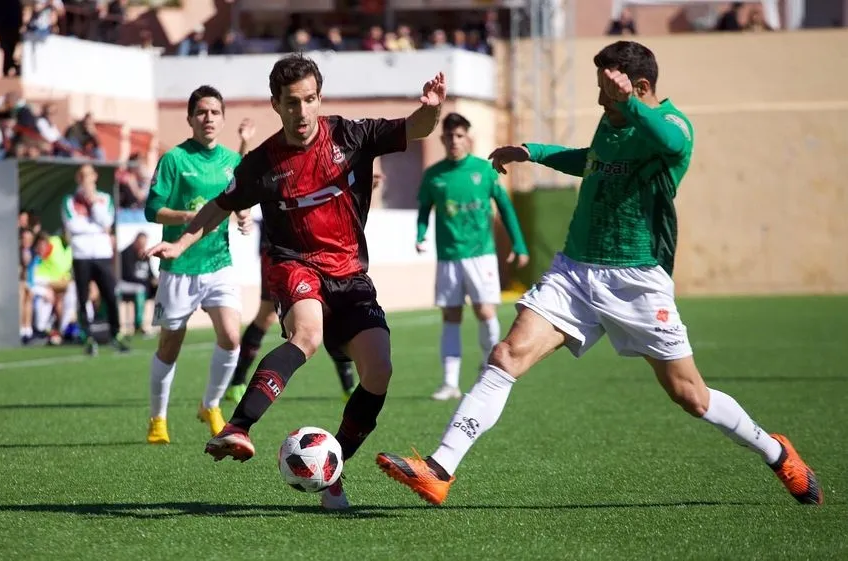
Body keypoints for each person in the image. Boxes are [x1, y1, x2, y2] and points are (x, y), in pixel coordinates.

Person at [375, 40, 822, 506]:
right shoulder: (613, 121)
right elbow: (592, 161)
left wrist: (626, 101)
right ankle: (440, 468)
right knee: (506, 356)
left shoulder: (670, 124)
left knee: (691, 396)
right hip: (574, 272)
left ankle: (777, 452)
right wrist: (535, 151)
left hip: (636, 283)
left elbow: (673, 142)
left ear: (640, 86)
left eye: (606, 91)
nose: (599, 100)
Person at [143, 53, 446, 510]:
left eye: (308, 101)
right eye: (290, 103)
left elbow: (417, 127)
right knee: (306, 335)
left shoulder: (351, 135)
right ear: (276, 104)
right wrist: (181, 245)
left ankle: (331, 471)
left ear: (319, 99)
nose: (300, 112)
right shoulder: (263, 162)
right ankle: (238, 426)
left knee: (379, 370)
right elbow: (218, 207)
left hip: (350, 273)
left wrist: (431, 108)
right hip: (295, 264)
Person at [143, 86, 255, 445]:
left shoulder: (230, 161)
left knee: (232, 336)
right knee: (169, 347)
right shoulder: (174, 160)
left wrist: (244, 216)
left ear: (222, 118)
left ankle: (210, 404)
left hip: (218, 263)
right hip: (180, 267)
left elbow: (241, 195)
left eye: (215, 112)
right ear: (190, 118)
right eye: (202, 112)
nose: (209, 118)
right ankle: (158, 419)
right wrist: (187, 216)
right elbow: (151, 208)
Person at [224, 158, 385, 404]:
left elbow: (333, 202)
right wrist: (242, 211)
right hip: (280, 254)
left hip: (314, 254)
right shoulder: (276, 163)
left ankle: (348, 385)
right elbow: (243, 188)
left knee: (326, 312)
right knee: (269, 316)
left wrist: (364, 185)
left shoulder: (319, 161)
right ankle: (237, 381)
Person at [416, 112, 530, 401]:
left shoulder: (486, 170)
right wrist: (420, 235)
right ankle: (449, 383)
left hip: (482, 256)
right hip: (448, 257)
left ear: (469, 138)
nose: (454, 140)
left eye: (459, 135)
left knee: (485, 311)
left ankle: (492, 372)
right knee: (450, 316)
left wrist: (519, 245)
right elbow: (423, 211)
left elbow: (505, 208)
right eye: (449, 136)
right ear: (442, 139)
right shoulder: (434, 175)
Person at [62, 164, 130, 355]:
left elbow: (106, 221)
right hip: (81, 254)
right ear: (78, 179)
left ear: (95, 177)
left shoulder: (104, 198)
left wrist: (92, 203)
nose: (86, 179)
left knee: (109, 294)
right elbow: (73, 225)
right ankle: (88, 336)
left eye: (89, 175)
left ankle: (116, 333)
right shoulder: (70, 201)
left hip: (102, 254)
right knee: (83, 297)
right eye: (82, 175)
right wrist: (97, 229)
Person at [118, 232, 157, 336]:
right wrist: (148, 282)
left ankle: (162, 323)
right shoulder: (126, 253)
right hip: (126, 284)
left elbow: (150, 274)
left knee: (160, 287)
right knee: (140, 289)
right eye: (141, 243)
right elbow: (128, 275)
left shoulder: (145, 255)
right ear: (136, 241)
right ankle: (138, 324)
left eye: (144, 244)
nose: (142, 246)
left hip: (144, 285)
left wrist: (155, 280)